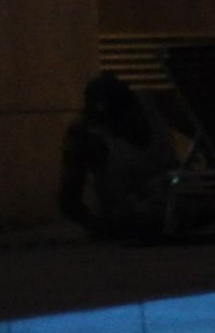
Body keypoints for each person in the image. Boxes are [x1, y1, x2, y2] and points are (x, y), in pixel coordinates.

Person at [58, 74, 180, 241]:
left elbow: (202, 128)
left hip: (177, 198)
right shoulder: (87, 137)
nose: (121, 125)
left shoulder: (154, 104)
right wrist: (103, 228)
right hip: (134, 212)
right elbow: (69, 200)